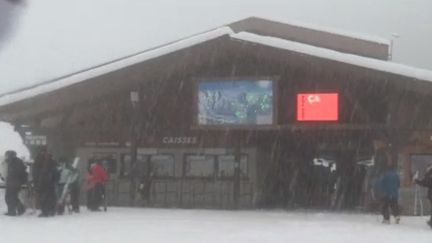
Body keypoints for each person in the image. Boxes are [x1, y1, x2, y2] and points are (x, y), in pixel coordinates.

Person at [33, 148, 59, 217]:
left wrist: (36, 181)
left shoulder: (39, 159)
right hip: (50, 182)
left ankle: (45, 211)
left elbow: (36, 172)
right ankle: (51, 210)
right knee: (50, 197)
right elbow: (56, 172)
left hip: (43, 182)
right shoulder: (52, 161)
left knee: (44, 197)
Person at [3, 150, 27, 216]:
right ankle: (14, 210)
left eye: (7, 155)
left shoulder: (16, 162)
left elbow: (19, 172)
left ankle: (15, 210)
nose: (6, 157)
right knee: (10, 197)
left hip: (15, 182)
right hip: (12, 182)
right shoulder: (11, 162)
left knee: (10, 197)